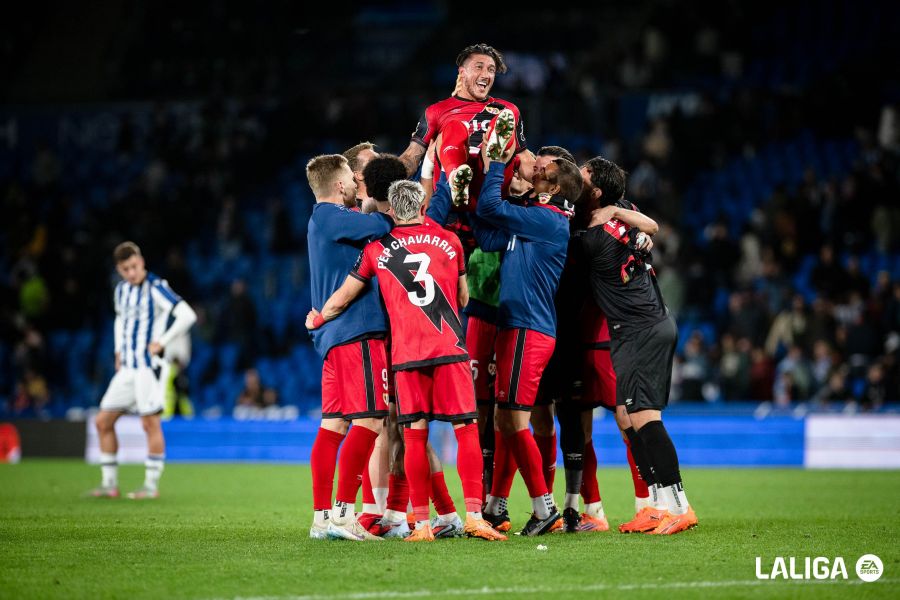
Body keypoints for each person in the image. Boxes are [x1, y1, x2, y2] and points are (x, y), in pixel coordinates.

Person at [308, 180, 506, 543]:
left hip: (407, 357)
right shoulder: (450, 240)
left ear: (391, 209)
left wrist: (318, 317)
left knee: (413, 437)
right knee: (466, 432)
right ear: (420, 204)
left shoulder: (376, 250)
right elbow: (463, 297)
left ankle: (423, 524)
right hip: (450, 350)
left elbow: (342, 298)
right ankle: (475, 515)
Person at [470, 118, 583, 535]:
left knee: (514, 421)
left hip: (528, 330)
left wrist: (496, 164)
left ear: (555, 187)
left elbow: (491, 211)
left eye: (545, 169)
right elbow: (486, 233)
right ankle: (497, 504)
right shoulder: (532, 221)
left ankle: (543, 506)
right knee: (505, 421)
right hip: (516, 328)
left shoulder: (551, 221)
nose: (537, 168)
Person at [580, 156, 698, 535]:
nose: (573, 181)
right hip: (639, 327)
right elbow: (648, 225)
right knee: (630, 419)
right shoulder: (623, 213)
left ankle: (680, 505)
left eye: (580, 177)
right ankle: (657, 505)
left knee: (646, 419)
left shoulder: (592, 238)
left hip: (642, 329)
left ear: (595, 192)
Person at [305, 154, 393, 542]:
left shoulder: (321, 221)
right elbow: (381, 224)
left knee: (334, 425)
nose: (358, 187)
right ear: (339, 186)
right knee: (371, 420)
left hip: (333, 338)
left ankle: (322, 518)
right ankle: (343, 514)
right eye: (352, 182)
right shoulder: (329, 216)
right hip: (354, 332)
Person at [89, 242, 197, 500]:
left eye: (134, 266)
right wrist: (118, 350)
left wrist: (163, 341)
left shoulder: (157, 287)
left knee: (150, 423)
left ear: (142, 261)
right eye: (125, 269)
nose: (131, 273)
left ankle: (150, 486)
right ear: (119, 270)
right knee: (103, 421)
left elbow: (187, 315)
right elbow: (120, 319)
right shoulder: (121, 291)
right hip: (127, 367)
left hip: (149, 368)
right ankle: (110, 484)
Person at [399, 43, 535, 209]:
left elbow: (525, 157)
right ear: (462, 73)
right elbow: (412, 155)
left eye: (491, 70)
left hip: (491, 189)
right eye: (479, 67)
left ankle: (487, 166)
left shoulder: (508, 110)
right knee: (454, 129)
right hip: (450, 192)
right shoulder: (437, 111)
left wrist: (554, 181)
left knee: (500, 125)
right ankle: (457, 177)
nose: (486, 74)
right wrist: (384, 176)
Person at [343, 141, 379, 211]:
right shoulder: (352, 213)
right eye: (374, 161)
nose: (383, 164)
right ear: (359, 175)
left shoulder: (392, 198)